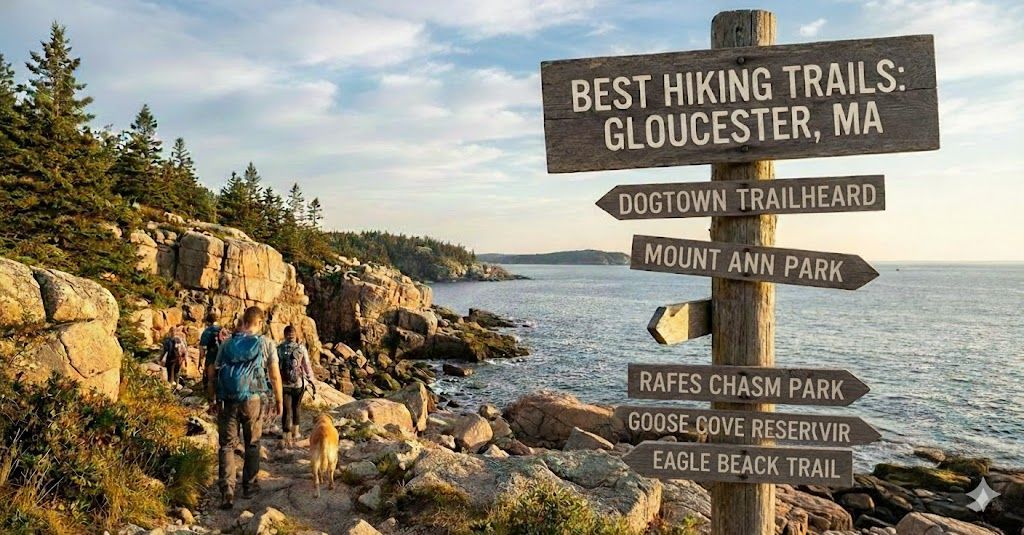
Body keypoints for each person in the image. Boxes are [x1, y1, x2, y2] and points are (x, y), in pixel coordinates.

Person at [213, 306, 283, 510]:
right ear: (259, 322)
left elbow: (212, 371)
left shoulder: (226, 344)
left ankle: (227, 490)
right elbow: (275, 375)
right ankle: (249, 487)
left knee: (226, 445)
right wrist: (279, 400)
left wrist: (213, 397)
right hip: (253, 399)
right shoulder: (266, 343)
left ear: (243, 321)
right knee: (252, 443)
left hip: (227, 399)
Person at [277, 325, 316, 445]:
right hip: (298, 384)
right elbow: (307, 366)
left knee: (286, 409)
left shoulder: (279, 348)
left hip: (284, 384)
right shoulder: (301, 348)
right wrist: (311, 380)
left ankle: (285, 434)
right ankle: (296, 432)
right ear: (295, 335)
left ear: (284, 335)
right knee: (296, 408)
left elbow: (275, 367)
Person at [200, 311, 229, 401]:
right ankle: (223, 401)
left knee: (210, 380)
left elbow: (202, 350)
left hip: (212, 357)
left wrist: (201, 361)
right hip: (224, 358)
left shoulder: (207, 332)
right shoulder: (223, 330)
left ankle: (212, 401)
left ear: (208, 322)